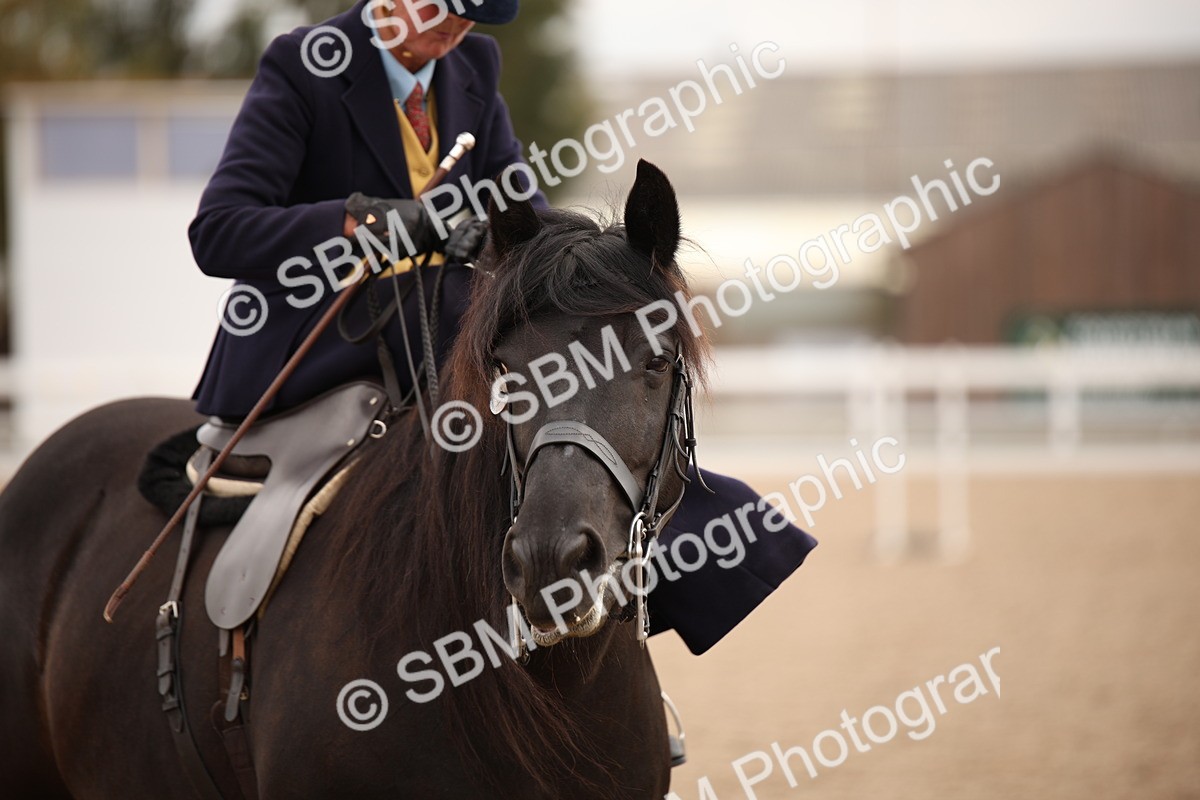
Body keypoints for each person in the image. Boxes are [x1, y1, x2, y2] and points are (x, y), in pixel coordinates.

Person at [188, 0, 815, 655]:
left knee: (595, 397)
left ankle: (640, 621)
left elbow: (526, 217)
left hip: (450, 343)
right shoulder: (303, 65)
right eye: (440, 8)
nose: (453, 29)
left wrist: (577, 267)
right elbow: (220, 230)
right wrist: (372, 222)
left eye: (466, 18)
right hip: (324, 342)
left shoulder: (471, 68)